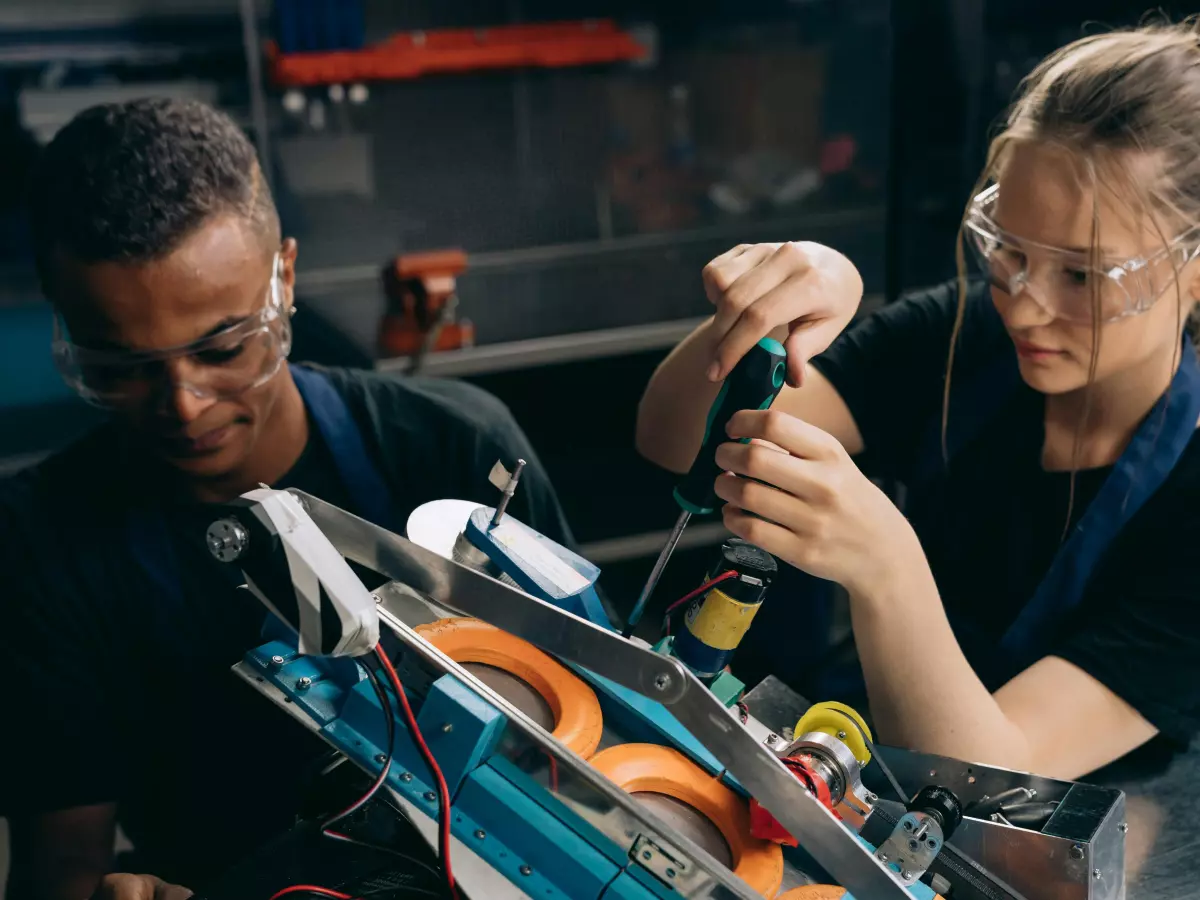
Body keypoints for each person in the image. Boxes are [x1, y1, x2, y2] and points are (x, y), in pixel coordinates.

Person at [0, 98, 573, 900]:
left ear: (286, 278)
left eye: (224, 347)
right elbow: (59, 861)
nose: (185, 403)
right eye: (121, 366)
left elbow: (588, 747)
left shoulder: (455, 452)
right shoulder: (38, 538)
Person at [637, 21, 1200, 784]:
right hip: (851, 761)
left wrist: (885, 565)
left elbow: (988, 773)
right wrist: (772, 312)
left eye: (1080, 278)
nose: (1025, 306)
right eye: (1012, 250)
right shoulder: (967, 337)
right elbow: (676, 443)